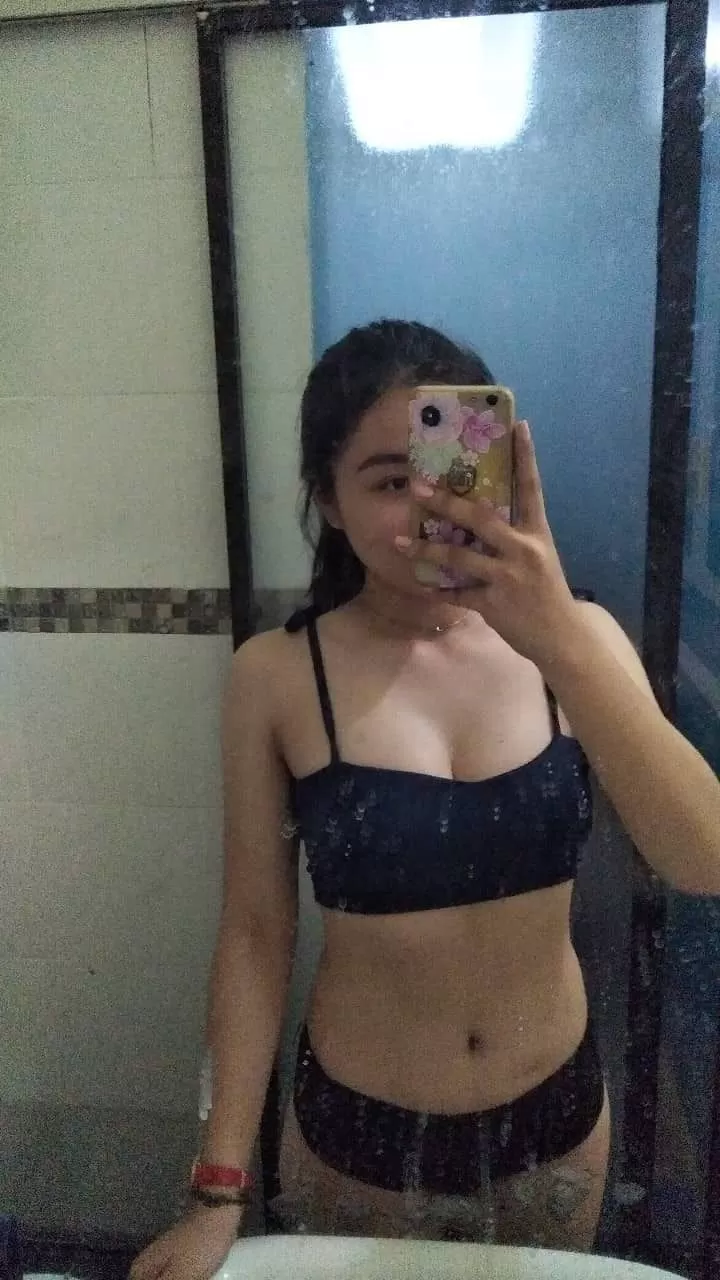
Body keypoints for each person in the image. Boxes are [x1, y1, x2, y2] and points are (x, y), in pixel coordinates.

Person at [130, 320, 720, 1280]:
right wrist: (216, 1191)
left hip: (558, 1126)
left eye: (453, 474)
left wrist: (555, 634)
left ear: (498, 472)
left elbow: (704, 859)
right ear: (328, 499)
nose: (427, 509)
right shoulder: (277, 677)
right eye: (388, 480)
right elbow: (254, 935)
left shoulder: (580, 641)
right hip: (358, 1140)